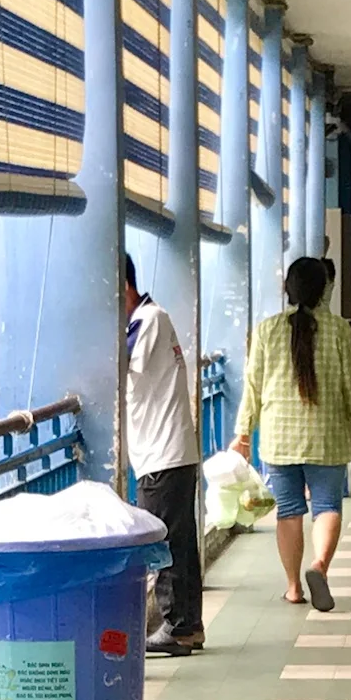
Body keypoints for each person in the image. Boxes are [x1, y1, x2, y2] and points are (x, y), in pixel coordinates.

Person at [232, 256, 351, 612]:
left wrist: (243, 434)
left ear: (288, 289)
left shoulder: (267, 330)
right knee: (327, 507)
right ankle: (319, 567)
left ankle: (292, 587)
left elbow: (252, 387)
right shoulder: (338, 329)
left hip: (278, 438)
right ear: (324, 289)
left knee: (288, 512)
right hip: (327, 436)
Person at [123, 256, 204, 657]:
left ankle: (178, 625)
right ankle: (187, 625)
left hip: (162, 452)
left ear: (121, 287)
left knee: (167, 542)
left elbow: (117, 365)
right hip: (168, 450)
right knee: (179, 540)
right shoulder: (151, 318)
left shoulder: (147, 320)